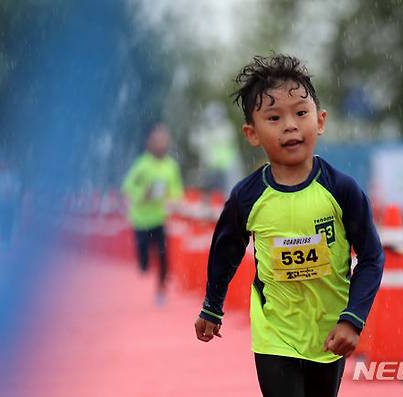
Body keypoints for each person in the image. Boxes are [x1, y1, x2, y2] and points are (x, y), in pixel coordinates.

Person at [193, 54, 384, 397]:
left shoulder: (342, 190)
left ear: (320, 121)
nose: (290, 125)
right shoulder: (246, 197)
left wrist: (353, 317)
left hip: (328, 331)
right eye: (274, 117)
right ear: (252, 133)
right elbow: (225, 250)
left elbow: (371, 257)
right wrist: (212, 304)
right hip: (274, 333)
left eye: (300, 113)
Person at [122, 124, 184, 304]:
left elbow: (177, 190)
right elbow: (127, 188)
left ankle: (161, 290)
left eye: (164, 140)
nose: (161, 144)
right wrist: (143, 194)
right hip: (141, 220)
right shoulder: (142, 165)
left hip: (159, 218)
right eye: (157, 141)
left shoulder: (171, 166)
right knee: (144, 263)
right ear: (149, 142)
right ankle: (143, 264)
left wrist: (174, 201)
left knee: (164, 255)